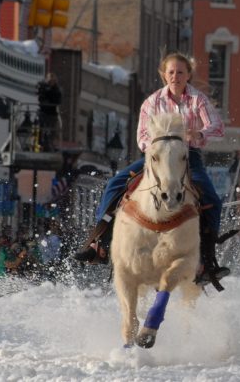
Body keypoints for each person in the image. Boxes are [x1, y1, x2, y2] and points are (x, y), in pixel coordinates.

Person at [74, 52, 230, 288]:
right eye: (171, 72)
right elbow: (143, 136)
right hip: (156, 158)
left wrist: (199, 134)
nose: (175, 76)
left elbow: (217, 127)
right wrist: (157, 149)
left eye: (180, 72)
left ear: (188, 75)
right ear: (163, 75)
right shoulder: (152, 101)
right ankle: (99, 243)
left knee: (211, 198)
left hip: (189, 157)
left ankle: (207, 261)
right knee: (115, 183)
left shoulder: (197, 100)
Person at [37, 73, 62, 151]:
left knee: (51, 132)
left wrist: (50, 93)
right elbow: (40, 98)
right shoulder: (43, 87)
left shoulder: (56, 90)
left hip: (52, 114)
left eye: (52, 80)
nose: (50, 82)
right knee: (42, 129)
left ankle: (49, 145)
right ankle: (41, 144)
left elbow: (57, 100)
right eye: (49, 80)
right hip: (43, 112)